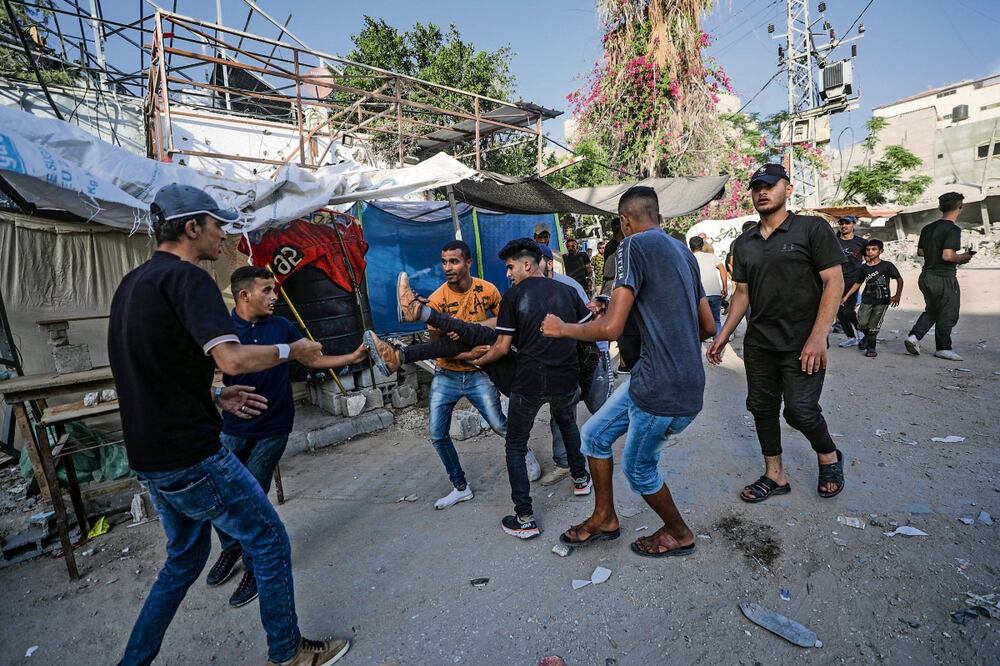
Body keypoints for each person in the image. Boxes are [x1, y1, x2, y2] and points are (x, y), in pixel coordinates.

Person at [109, 184, 349, 666]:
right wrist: (292, 351)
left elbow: (155, 370)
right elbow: (233, 358)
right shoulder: (190, 280)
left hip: (150, 457)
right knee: (268, 538)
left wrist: (216, 395)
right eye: (216, 225)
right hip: (192, 454)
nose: (223, 234)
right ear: (191, 227)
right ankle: (288, 653)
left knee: (183, 560)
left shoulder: (132, 284)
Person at [541, 186, 715, 557]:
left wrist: (562, 329)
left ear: (624, 222)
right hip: (670, 380)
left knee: (639, 469)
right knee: (594, 435)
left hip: (660, 390)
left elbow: (610, 330)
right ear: (659, 216)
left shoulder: (630, 246)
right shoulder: (683, 252)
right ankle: (605, 517)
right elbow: (707, 326)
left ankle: (679, 532)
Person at [205, 266, 368, 608]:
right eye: (267, 290)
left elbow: (314, 358)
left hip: (273, 427)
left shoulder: (281, 327)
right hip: (232, 428)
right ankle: (231, 547)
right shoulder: (222, 332)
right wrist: (220, 394)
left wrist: (350, 357)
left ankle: (254, 568)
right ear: (244, 294)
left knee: (252, 499)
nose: (274, 296)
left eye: (274, 290)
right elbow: (201, 377)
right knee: (218, 496)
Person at [706, 163, 846, 504]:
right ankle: (775, 474)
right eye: (756, 187)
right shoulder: (745, 243)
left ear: (788, 188)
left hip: (803, 342)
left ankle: (828, 456)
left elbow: (834, 281)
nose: (762, 192)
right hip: (760, 344)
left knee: (800, 411)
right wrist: (723, 335)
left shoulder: (811, 229)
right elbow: (742, 292)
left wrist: (818, 336)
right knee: (762, 408)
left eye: (770, 185)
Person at [395, 240, 540, 511]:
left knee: (499, 425)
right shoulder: (438, 299)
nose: (448, 267)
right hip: (447, 373)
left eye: (454, 261)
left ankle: (525, 452)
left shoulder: (487, 290)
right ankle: (460, 487)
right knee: (437, 434)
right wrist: (467, 354)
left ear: (468, 263)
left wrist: (470, 329)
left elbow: (507, 323)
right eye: (444, 262)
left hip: (480, 373)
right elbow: (438, 345)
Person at [473, 238, 593, 539]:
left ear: (527, 264)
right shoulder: (567, 291)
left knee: (515, 444)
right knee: (566, 422)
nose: (508, 274)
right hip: (566, 378)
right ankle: (580, 479)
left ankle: (524, 518)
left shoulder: (513, 297)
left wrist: (480, 361)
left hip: (530, 382)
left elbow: (501, 347)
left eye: (510, 267)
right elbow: (587, 330)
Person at [536, 243, 613, 487]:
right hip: (559, 365)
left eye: (534, 261)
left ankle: (614, 455)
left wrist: (599, 356)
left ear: (548, 263)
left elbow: (591, 320)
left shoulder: (569, 286)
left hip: (588, 357)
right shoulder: (529, 289)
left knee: (602, 409)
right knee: (560, 414)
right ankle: (564, 463)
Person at [905, 192, 975, 361]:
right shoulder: (952, 229)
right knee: (948, 312)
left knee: (933, 310)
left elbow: (921, 251)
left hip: (926, 276)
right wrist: (963, 257)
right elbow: (948, 256)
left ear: (940, 207)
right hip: (943, 277)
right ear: (960, 207)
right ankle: (943, 348)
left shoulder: (927, 228)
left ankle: (914, 337)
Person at [841, 239, 903, 358]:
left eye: (874, 249)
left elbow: (899, 279)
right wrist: (846, 296)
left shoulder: (887, 265)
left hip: (882, 301)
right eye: (868, 250)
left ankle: (871, 348)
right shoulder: (864, 268)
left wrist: (897, 295)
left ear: (881, 251)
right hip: (867, 300)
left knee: (873, 326)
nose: (870, 252)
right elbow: (858, 283)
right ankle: (866, 338)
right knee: (862, 323)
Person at [834, 216, 868, 348]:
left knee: (848, 310)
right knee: (838, 311)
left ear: (853, 225)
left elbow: (869, 258)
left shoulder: (861, 242)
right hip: (836, 280)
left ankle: (864, 333)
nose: (844, 226)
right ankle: (851, 337)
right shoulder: (834, 241)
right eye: (841, 224)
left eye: (847, 223)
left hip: (853, 280)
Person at [689, 236, 727, 337]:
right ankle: (717, 346)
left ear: (690, 247)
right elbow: (722, 269)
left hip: (699, 295)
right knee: (716, 320)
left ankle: (699, 348)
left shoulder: (689, 258)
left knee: (699, 322)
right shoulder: (712, 256)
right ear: (702, 246)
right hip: (714, 293)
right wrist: (724, 287)